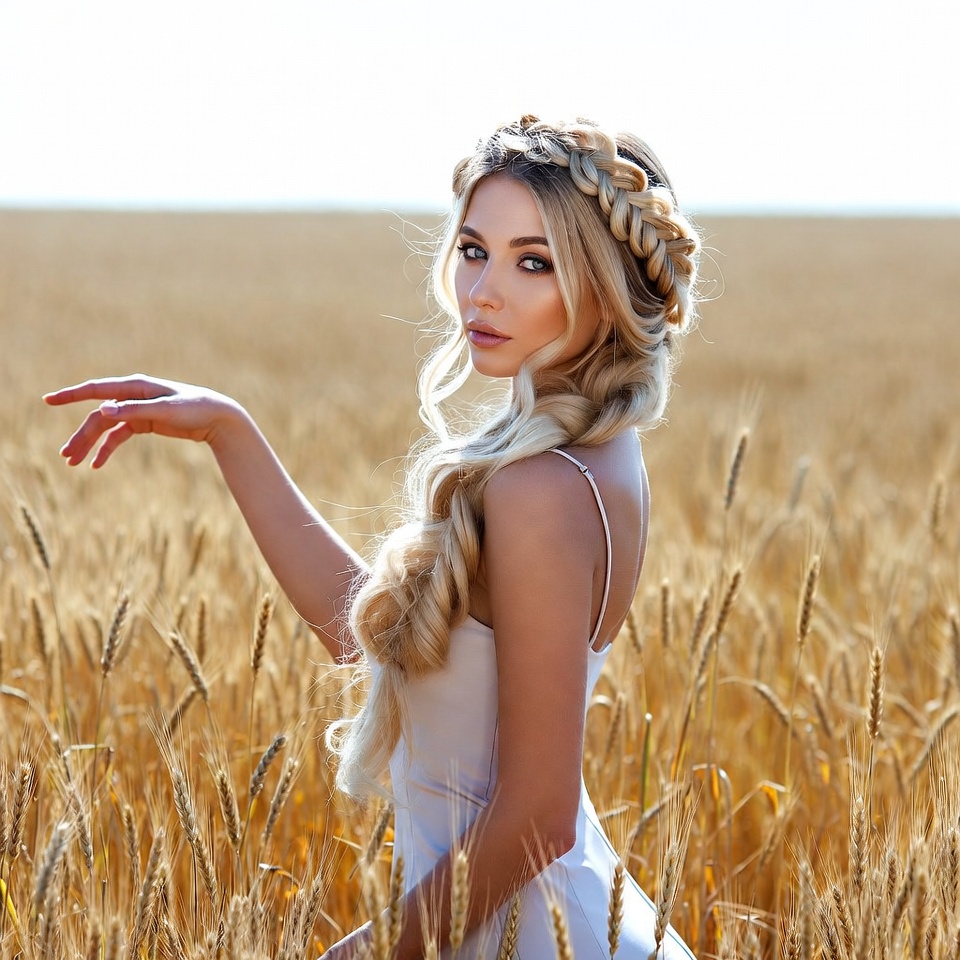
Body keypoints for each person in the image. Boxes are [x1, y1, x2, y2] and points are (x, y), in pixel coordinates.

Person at [45, 116, 700, 959]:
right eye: (473, 249)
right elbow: (390, 643)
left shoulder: (542, 490)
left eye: (533, 262)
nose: (484, 290)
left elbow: (536, 813)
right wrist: (231, 434)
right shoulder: (594, 456)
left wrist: (367, 953)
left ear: (606, 287)